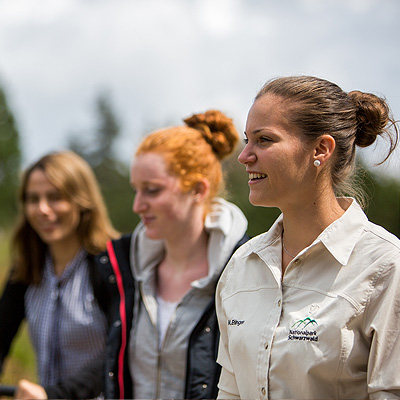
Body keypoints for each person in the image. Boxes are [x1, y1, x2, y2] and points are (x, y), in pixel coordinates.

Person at [215, 76, 400, 399]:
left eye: (264, 140)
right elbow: (230, 391)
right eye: (247, 140)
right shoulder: (241, 266)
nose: (244, 156)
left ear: (321, 149)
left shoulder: (386, 265)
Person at [94, 109, 249, 399]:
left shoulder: (244, 273)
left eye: (152, 191)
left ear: (198, 190)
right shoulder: (124, 267)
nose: (137, 205)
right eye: (136, 191)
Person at [0, 151, 119, 399]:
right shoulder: (26, 268)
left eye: (55, 197)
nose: (42, 209)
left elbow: (118, 353)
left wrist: (55, 395)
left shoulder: (111, 266)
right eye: (33, 199)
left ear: (81, 201)